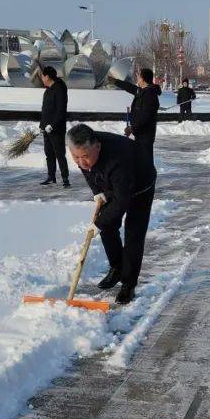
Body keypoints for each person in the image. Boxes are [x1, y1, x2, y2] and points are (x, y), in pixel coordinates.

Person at [66, 123, 156, 305]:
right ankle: (117, 267)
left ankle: (128, 284)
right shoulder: (84, 149)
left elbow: (122, 201)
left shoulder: (117, 160)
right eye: (75, 157)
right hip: (115, 183)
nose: (81, 162)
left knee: (133, 233)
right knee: (107, 226)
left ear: (97, 147)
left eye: (85, 156)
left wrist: (99, 223)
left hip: (141, 185)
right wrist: (97, 191)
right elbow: (88, 171)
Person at [111, 67, 160, 170]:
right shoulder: (144, 91)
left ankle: (148, 179)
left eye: (138, 76)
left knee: (145, 163)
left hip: (145, 135)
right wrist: (115, 81)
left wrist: (132, 128)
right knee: (141, 161)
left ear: (143, 79)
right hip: (141, 133)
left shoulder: (149, 94)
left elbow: (146, 116)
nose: (137, 78)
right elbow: (131, 87)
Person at [38, 66, 69, 186]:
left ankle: (65, 178)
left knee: (59, 154)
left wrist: (53, 125)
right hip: (46, 128)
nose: (41, 78)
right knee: (49, 154)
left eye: (42, 76)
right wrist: (42, 125)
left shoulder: (59, 89)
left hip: (56, 129)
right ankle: (51, 176)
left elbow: (61, 110)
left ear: (47, 76)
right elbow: (45, 110)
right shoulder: (48, 90)